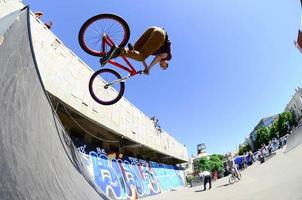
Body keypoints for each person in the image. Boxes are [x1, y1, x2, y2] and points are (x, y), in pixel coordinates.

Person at [101, 26, 172, 75]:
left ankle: (110, 47)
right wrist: (149, 68)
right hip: (160, 35)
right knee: (140, 56)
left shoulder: (154, 49)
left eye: (161, 66)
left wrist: (146, 67)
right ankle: (118, 51)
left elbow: (140, 56)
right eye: (163, 66)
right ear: (166, 62)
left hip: (153, 29)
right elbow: (159, 57)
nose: (161, 65)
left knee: (135, 51)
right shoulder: (168, 56)